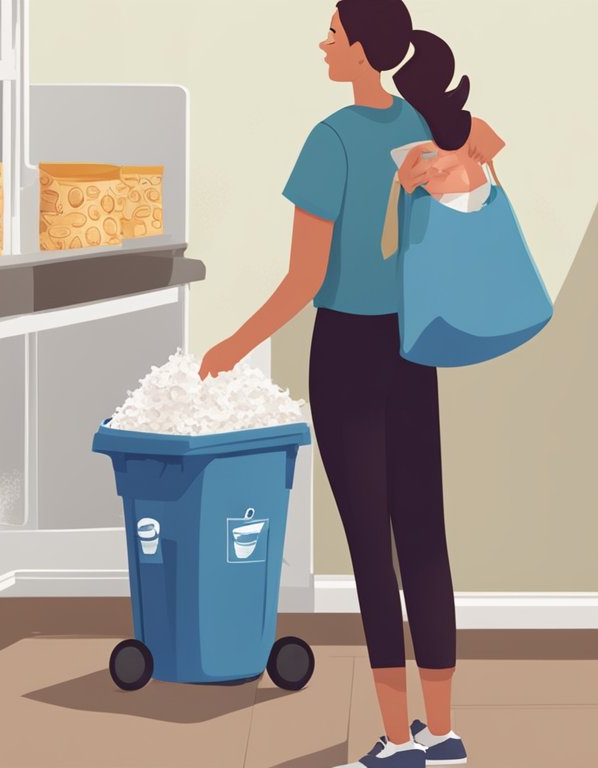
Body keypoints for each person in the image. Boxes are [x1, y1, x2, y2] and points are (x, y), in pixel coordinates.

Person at [197, 1, 503, 766]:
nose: (324, 44)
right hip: (412, 347)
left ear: (365, 50)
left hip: (345, 353)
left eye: (334, 33)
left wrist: (233, 345)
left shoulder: (331, 140)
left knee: (373, 548)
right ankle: (446, 733)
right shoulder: (427, 125)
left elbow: (305, 278)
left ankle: (397, 740)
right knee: (425, 540)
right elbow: (486, 158)